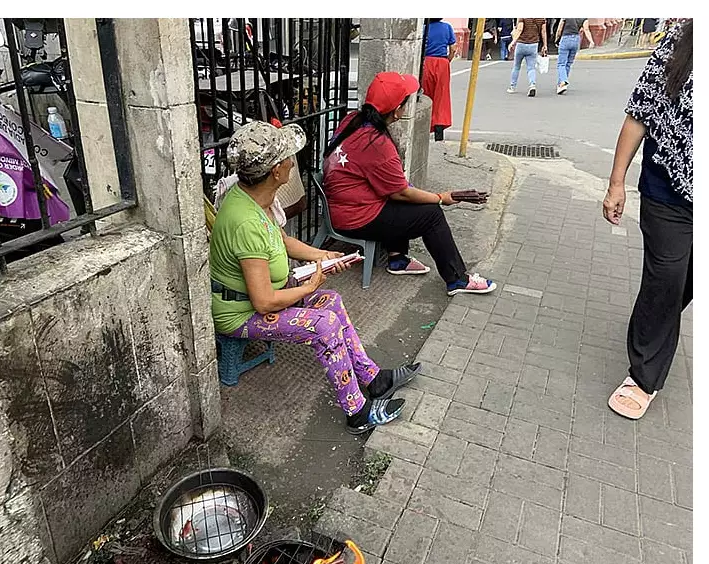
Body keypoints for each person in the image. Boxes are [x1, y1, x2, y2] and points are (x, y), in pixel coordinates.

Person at [210, 120, 421, 435]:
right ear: (277, 170)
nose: (294, 162)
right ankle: (357, 413)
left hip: (263, 295)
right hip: (240, 314)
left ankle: (374, 379)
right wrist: (309, 285)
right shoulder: (245, 221)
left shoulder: (253, 197)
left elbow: (282, 242)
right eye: (289, 158)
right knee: (323, 324)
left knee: (331, 301)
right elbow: (264, 301)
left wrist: (322, 256)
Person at [322, 71, 497, 297]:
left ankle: (397, 259)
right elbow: (400, 194)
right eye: (406, 102)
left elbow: (396, 188)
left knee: (407, 194)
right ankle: (457, 279)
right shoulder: (377, 143)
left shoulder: (353, 120)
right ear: (397, 111)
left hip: (343, 206)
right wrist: (441, 198)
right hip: (354, 217)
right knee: (431, 214)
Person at [602, 20, 692, 420]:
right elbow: (640, 112)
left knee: (685, 283)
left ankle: (652, 322)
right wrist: (616, 182)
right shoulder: (682, 39)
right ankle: (644, 375)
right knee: (666, 279)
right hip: (668, 191)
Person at [422, 18, 456, 141]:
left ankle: (424, 127)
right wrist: (448, 60)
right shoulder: (447, 27)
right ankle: (439, 131)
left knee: (426, 95)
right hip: (442, 63)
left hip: (427, 61)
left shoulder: (424, 28)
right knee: (441, 97)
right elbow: (453, 48)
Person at [507, 18, 547, 97]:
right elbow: (544, 31)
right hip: (533, 44)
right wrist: (545, 45)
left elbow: (519, 29)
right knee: (531, 68)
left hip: (521, 44)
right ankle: (532, 85)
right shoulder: (541, 18)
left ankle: (512, 87)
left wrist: (513, 42)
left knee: (516, 67)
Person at [554, 19, 595, 95]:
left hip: (565, 38)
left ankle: (563, 81)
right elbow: (586, 29)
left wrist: (557, 39)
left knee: (561, 64)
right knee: (568, 63)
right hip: (576, 40)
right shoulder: (583, 18)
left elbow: (560, 29)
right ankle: (561, 84)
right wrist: (591, 41)